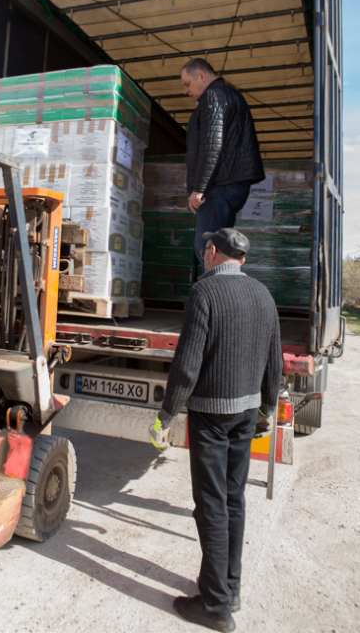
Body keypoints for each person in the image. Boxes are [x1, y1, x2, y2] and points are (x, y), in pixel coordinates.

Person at [150, 228, 282, 632]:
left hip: (210, 414)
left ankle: (215, 606)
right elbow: (274, 358)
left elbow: (187, 363)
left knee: (210, 503)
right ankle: (230, 588)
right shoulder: (263, 294)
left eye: (205, 248)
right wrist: (268, 406)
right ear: (241, 259)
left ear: (210, 252)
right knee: (233, 498)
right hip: (246, 412)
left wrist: (167, 414)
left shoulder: (204, 292)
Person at [181, 58, 265, 265]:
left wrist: (198, 189)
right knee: (223, 250)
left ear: (201, 76)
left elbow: (211, 145)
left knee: (207, 249)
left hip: (218, 186)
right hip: (231, 185)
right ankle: (225, 286)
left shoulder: (213, 96)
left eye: (187, 84)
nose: (185, 91)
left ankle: (214, 288)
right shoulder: (228, 94)